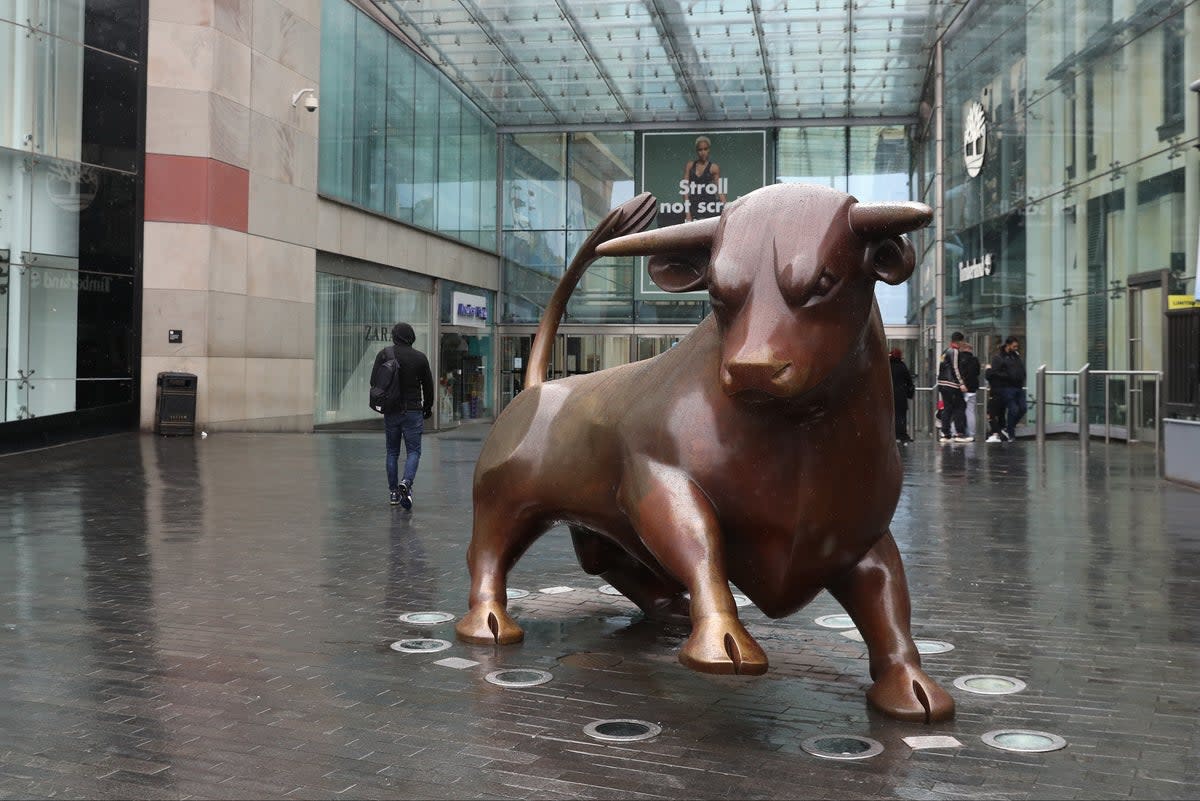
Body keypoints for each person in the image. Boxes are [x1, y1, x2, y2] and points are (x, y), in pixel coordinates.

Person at [371, 322, 434, 508]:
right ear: (411, 336)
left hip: (391, 411)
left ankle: (393, 493)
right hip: (413, 410)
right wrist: (427, 407)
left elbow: (374, 381)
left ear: (394, 336)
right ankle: (406, 482)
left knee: (392, 451)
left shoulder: (384, 354)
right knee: (414, 451)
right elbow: (428, 387)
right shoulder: (420, 358)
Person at [985, 335, 1027, 443]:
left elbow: (1020, 369)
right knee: (1013, 409)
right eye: (1014, 346)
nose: (1016, 348)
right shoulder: (999, 357)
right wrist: (1008, 376)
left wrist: (1021, 377)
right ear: (1008, 345)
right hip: (1007, 388)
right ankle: (1010, 432)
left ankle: (1008, 428)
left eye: (1017, 346)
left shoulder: (1016, 356)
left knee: (1023, 408)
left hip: (1018, 387)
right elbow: (993, 373)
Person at [936, 331, 971, 443]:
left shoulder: (945, 352)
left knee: (947, 408)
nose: (963, 344)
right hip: (952, 385)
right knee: (959, 407)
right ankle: (959, 433)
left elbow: (942, 368)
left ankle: (945, 434)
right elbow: (955, 368)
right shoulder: (954, 352)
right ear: (959, 341)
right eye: (963, 341)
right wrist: (961, 383)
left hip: (942, 384)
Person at [682, 136, 727, 222]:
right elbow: (685, 191)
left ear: (709, 150)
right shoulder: (690, 166)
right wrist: (687, 214)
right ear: (697, 151)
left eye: (705, 149)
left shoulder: (714, 168)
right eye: (700, 149)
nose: (703, 152)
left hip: (709, 206)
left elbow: (720, 191)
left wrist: (726, 211)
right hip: (694, 206)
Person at [956, 341, 981, 440]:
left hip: (960, 388)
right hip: (972, 389)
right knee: (970, 411)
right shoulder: (975, 360)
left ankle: (956, 431)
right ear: (970, 349)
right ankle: (971, 433)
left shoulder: (958, 359)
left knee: (957, 411)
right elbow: (977, 372)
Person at [889, 348, 915, 444]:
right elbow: (909, 381)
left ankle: (892, 435)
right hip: (900, 395)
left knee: (891, 415)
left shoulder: (888, 366)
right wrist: (909, 393)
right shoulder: (902, 366)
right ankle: (901, 434)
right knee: (901, 416)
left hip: (889, 396)